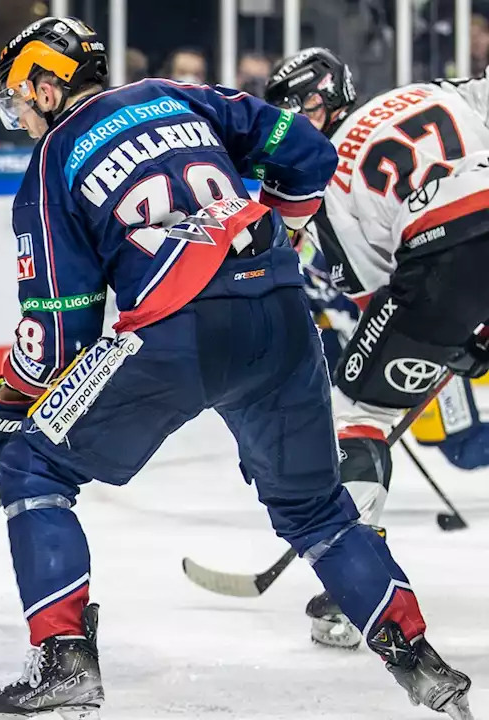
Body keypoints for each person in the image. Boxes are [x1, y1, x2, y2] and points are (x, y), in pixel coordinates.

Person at [0, 17, 473, 720]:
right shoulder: (180, 95)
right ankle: (422, 664)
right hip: (283, 317)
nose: (19, 111)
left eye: (21, 94)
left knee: (34, 468)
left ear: (49, 84)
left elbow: (56, 338)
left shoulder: (51, 164)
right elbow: (312, 154)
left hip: (177, 333)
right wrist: (279, 228)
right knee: (318, 511)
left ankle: (63, 660)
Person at [266, 47, 489, 664]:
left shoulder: (324, 182)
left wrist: (447, 332)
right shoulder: (427, 91)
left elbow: (386, 299)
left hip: (444, 254)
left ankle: (353, 593)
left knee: (356, 412)